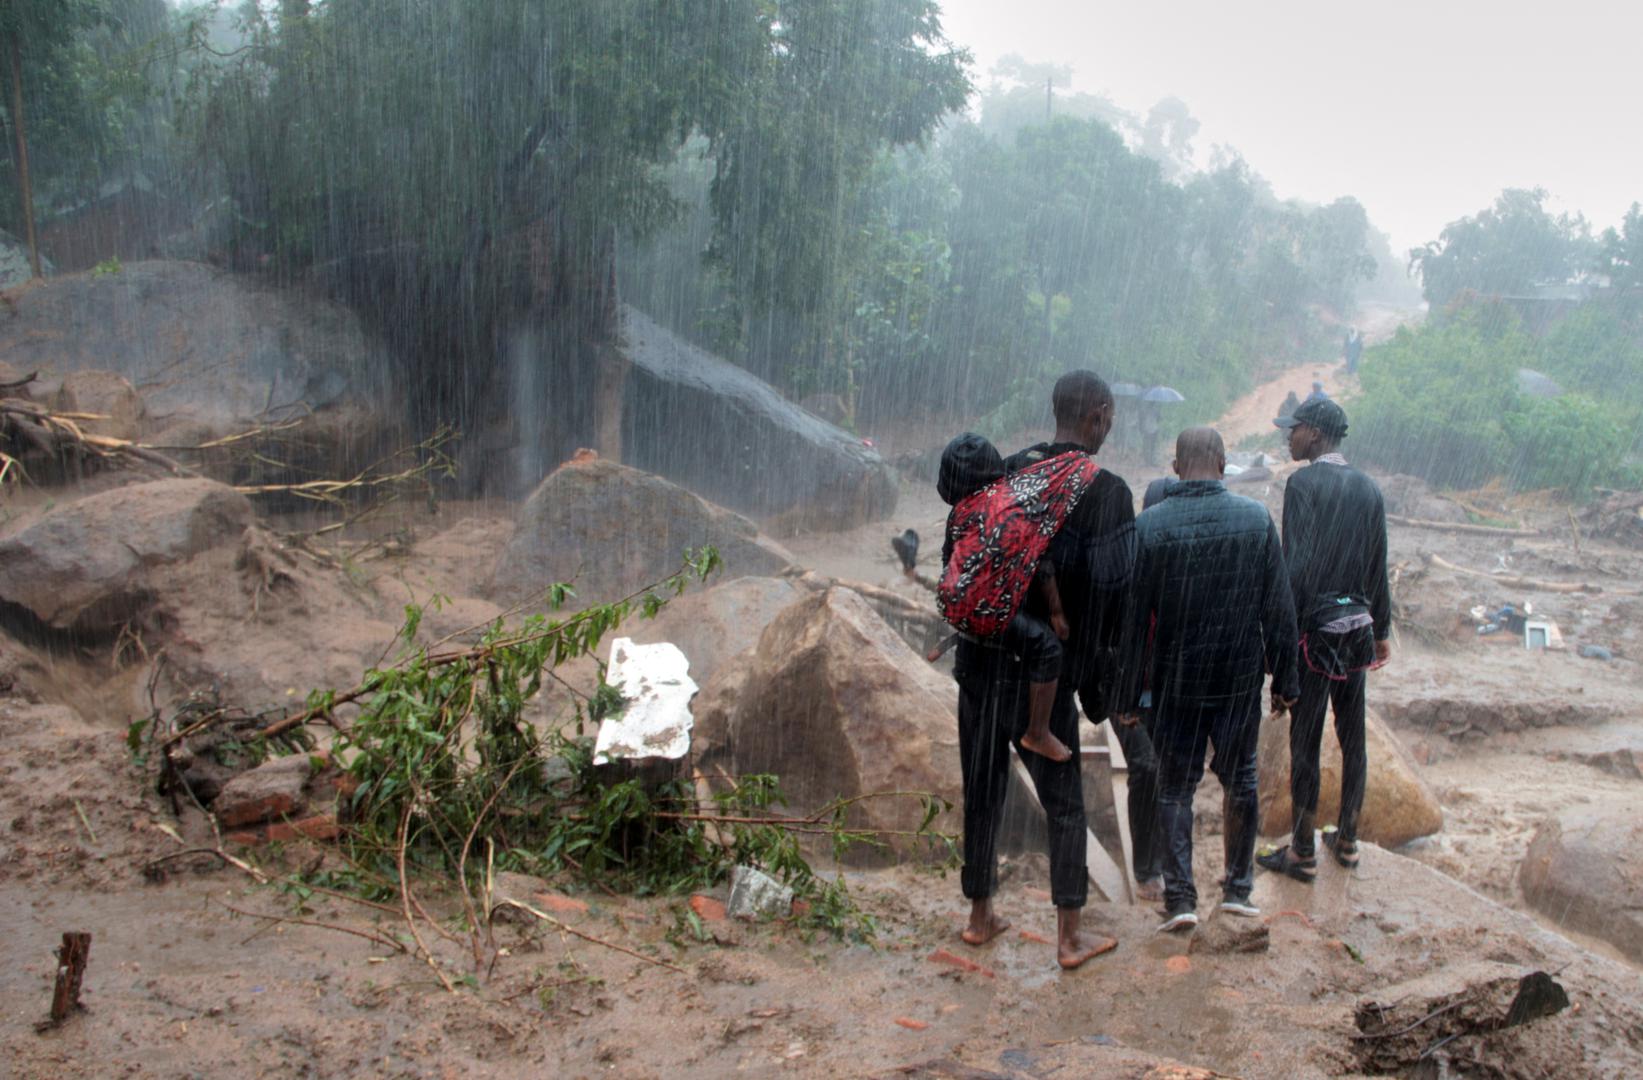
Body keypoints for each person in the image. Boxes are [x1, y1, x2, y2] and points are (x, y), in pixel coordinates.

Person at [953, 370, 1135, 969]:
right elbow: (1112, 596)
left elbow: (970, 554)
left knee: (982, 792)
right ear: (1099, 416)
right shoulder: (1105, 491)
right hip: (1043, 680)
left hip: (982, 659)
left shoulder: (1009, 468)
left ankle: (980, 919)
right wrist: (1100, 687)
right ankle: (1068, 937)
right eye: (1108, 419)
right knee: (1065, 804)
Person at [1117, 427, 1299, 931]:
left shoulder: (1150, 526)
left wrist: (1128, 693)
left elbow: (1135, 622)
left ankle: (1180, 901)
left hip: (1177, 681)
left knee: (1175, 787)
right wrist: (1286, 680)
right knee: (1240, 779)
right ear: (1223, 465)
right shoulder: (1256, 519)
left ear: (1177, 467)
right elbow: (1278, 611)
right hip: (1238, 679)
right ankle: (1238, 890)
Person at [1259, 398, 1391, 880]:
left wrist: (1282, 637)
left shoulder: (1303, 483)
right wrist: (1383, 630)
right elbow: (1378, 565)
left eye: (1292, 430)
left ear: (1313, 434)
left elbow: (1298, 566)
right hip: (1358, 629)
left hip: (1314, 634)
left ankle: (1301, 849)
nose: (1287, 437)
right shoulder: (1368, 488)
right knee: (1353, 738)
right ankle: (1349, 839)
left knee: (1306, 740)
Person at [936, 433, 1074, 763]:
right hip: (993, 619)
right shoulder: (1016, 506)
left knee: (982, 776)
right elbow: (1042, 563)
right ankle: (1037, 732)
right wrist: (1056, 611)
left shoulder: (959, 513)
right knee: (1048, 649)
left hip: (957, 609)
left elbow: (948, 560)